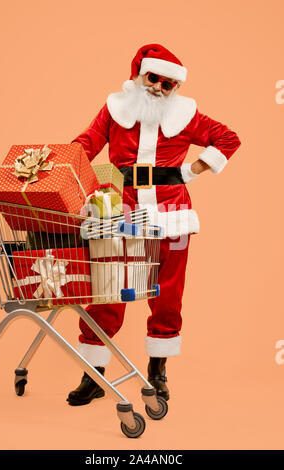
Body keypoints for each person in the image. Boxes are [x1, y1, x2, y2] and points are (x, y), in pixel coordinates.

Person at [67, 44, 241, 406]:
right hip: (120, 208)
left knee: (168, 292)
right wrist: (60, 166)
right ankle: (93, 373)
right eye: (153, 78)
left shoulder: (186, 114)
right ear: (139, 74)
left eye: (168, 83)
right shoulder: (115, 108)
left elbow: (228, 138)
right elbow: (86, 145)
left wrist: (195, 168)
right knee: (108, 288)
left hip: (171, 212)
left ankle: (158, 370)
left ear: (175, 88)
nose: (159, 87)